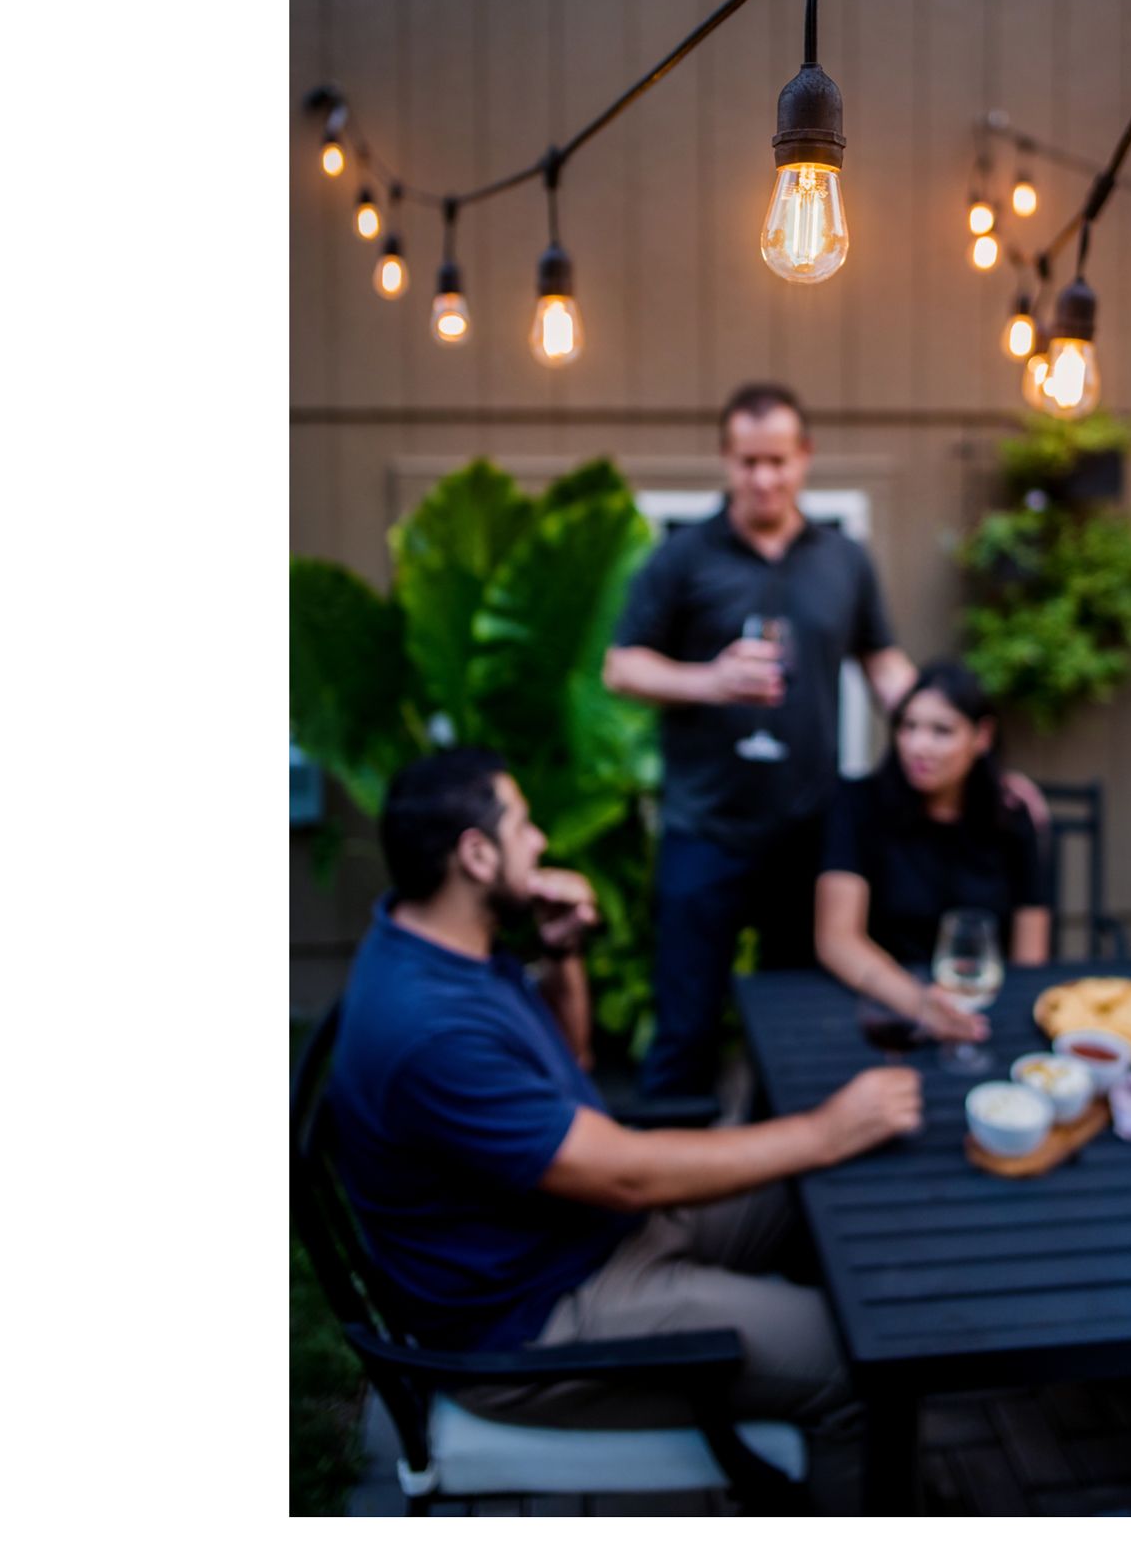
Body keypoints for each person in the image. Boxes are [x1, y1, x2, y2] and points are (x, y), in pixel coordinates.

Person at [327, 749, 924, 1441]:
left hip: (583, 1228)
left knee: (830, 1182)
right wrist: (826, 1129)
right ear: (476, 855)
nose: (539, 842)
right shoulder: (430, 1027)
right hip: (538, 1318)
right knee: (861, 1357)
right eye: (521, 826)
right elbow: (625, 1175)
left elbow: (569, 1062)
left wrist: (562, 953)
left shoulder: (445, 945)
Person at [603, 383, 919, 1095]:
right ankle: (671, 1157)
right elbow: (621, 667)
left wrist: (943, 731)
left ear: (805, 456)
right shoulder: (683, 556)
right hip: (705, 828)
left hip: (808, 827)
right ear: (726, 460)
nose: (764, 478)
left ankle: (785, 1150)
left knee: (800, 1017)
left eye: (778, 460)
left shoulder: (844, 558)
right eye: (749, 462)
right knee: (685, 1026)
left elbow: (883, 664)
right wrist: (709, 681)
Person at [815, 661, 1052, 1040]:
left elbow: (1030, 954)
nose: (917, 746)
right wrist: (921, 1005)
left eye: (941, 731)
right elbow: (836, 940)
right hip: (878, 1012)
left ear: (982, 736)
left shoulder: (1011, 817)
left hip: (983, 1018)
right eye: (908, 726)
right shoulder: (859, 805)